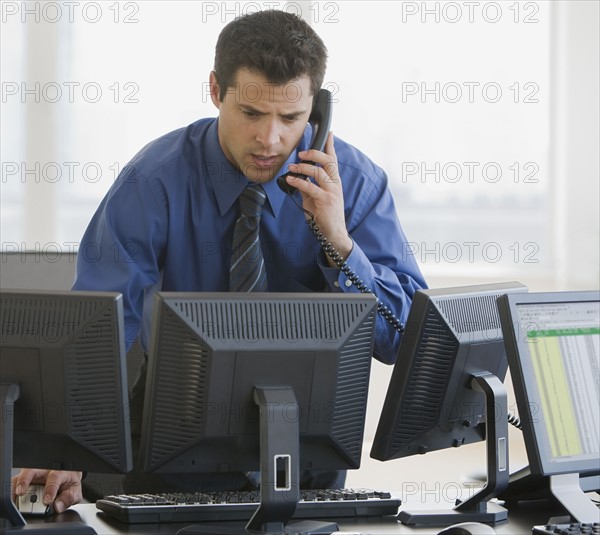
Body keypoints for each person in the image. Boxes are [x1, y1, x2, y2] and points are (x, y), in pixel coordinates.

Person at [12, 9, 426, 512]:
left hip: (309, 463)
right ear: (215, 90)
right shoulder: (154, 181)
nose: (270, 140)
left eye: (291, 119)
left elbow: (404, 342)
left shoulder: (355, 186)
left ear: (316, 111)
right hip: (171, 460)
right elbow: (100, 325)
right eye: (251, 114)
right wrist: (65, 445)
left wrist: (341, 246)